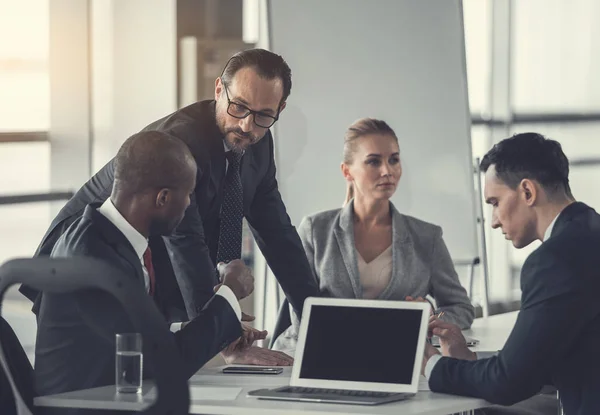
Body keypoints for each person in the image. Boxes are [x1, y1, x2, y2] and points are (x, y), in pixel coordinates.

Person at [22, 48, 319, 364]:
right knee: (116, 377)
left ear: (279, 109)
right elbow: (185, 241)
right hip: (88, 263)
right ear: (219, 89)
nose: (248, 125)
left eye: (264, 115)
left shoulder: (258, 144)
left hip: (154, 271)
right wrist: (224, 334)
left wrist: (320, 321)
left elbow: (280, 237)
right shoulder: (182, 142)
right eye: (239, 107)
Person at [34, 132, 292, 410]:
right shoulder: (94, 258)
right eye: (189, 194)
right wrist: (229, 292)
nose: (190, 205)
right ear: (163, 198)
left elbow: (136, 335)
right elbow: (163, 362)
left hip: (114, 399)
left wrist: (223, 331)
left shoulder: (108, 238)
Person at [422, 132, 600, 414]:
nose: (493, 221)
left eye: (494, 202)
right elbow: (558, 358)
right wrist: (470, 361)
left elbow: (509, 383)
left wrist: (431, 363)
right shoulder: (590, 231)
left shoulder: (555, 260)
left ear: (527, 192)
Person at [273, 118, 474, 352]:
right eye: (373, 162)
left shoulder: (426, 237)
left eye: (394, 160)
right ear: (347, 171)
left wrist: (431, 316)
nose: (387, 171)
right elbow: (301, 314)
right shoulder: (316, 230)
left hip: (397, 359)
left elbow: (461, 308)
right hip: (320, 356)